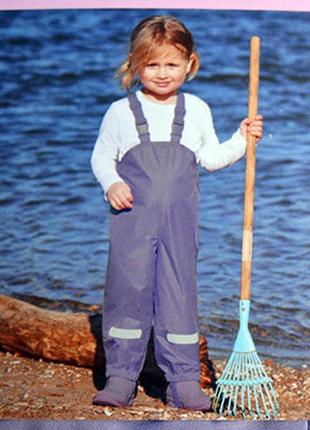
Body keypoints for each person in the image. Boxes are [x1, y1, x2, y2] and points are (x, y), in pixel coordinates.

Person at [90, 15, 263, 411]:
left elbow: (213, 158)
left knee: (178, 293)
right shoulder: (121, 111)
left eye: (172, 64)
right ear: (135, 65)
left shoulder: (197, 109)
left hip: (179, 226)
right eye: (152, 65)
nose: (162, 73)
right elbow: (101, 157)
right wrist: (111, 183)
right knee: (128, 289)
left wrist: (242, 138)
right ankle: (120, 376)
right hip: (132, 219)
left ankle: (183, 380)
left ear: (190, 64)